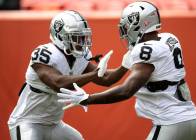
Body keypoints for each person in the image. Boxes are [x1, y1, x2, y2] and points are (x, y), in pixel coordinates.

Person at [57, 2, 196, 140]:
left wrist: (88, 99)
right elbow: (112, 78)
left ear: (142, 24)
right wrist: (108, 70)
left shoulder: (144, 50)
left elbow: (126, 90)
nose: (125, 32)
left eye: (127, 26)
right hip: (192, 120)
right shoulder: (169, 38)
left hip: (171, 123)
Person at [8, 10, 128, 140]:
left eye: (83, 37)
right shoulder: (45, 53)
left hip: (54, 124)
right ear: (60, 36)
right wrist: (94, 74)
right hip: (28, 122)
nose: (82, 42)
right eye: (76, 37)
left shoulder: (80, 56)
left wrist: (126, 65)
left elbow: (105, 78)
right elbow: (58, 83)